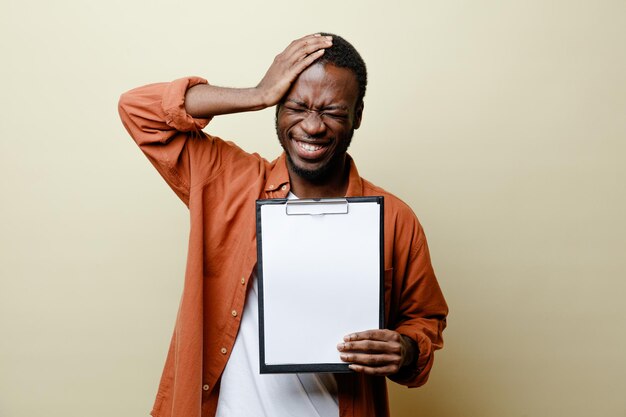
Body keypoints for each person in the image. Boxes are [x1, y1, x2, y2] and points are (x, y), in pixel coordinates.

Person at [118, 33, 448, 417]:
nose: (312, 126)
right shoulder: (227, 182)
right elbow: (138, 110)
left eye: (333, 112)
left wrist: (406, 350)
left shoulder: (394, 218)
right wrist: (256, 93)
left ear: (358, 115)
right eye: (296, 106)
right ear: (276, 108)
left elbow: (424, 319)